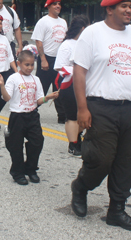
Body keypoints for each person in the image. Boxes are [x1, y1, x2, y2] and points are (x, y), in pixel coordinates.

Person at [70, 0, 131, 232]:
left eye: (130, 7)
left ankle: (116, 210)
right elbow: (79, 72)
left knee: (129, 158)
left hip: (130, 108)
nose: (129, 10)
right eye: (123, 7)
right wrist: (82, 108)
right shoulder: (92, 34)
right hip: (101, 107)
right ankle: (81, 187)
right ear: (109, 10)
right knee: (100, 158)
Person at [0, 50, 58, 185]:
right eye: (26, 65)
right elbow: (6, 98)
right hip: (18, 116)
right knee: (16, 146)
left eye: (31, 65)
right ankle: (18, 172)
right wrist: (1, 85)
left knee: (37, 141)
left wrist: (48, 97)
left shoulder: (36, 79)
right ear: (19, 64)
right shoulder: (13, 78)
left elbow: (38, 100)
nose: (29, 68)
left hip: (32, 115)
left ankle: (31, 169)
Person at [54, 14, 90, 157]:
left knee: (85, 116)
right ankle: (73, 144)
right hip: (70, 86)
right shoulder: (67, 45)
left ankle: (79, 137)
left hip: (86, 85)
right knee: (72, 117)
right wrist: (76, 71)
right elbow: (59, 67)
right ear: (82, 29)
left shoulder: (87, 44)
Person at [31, 0, 67, 124]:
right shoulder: (43, 21)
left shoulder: (63, 22)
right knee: (41, 88)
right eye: (55, 4)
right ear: (49, 7)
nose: (58, 6)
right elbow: (38, 41)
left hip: (60, 60)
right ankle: (31, 110)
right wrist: (43, 59)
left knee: (59, 88)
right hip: (46, 58)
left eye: (59, 4)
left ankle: (62, 116)